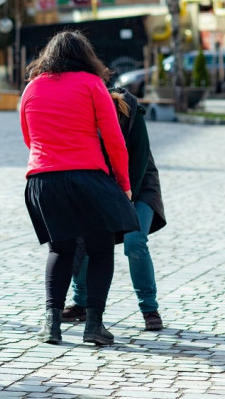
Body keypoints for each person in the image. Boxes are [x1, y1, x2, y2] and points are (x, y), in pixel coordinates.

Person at [20, 30, 139, 346]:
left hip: (42, 180)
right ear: (85, 56)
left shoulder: (31, 88)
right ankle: (94, 326)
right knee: (101, 247)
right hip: (86, 177)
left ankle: (52, 325)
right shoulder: (92, 84)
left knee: (60, 248)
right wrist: (124, 185)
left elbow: (29, 138)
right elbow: (114, 140)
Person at [61, 87, 167, 331]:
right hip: (104, 187)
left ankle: (149, 308)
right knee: (82, 238)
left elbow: (139, 160)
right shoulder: (82, 114)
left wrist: (126, 198)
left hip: (140, 186)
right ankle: (81, 303)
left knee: (134, 242)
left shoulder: (130, 113)